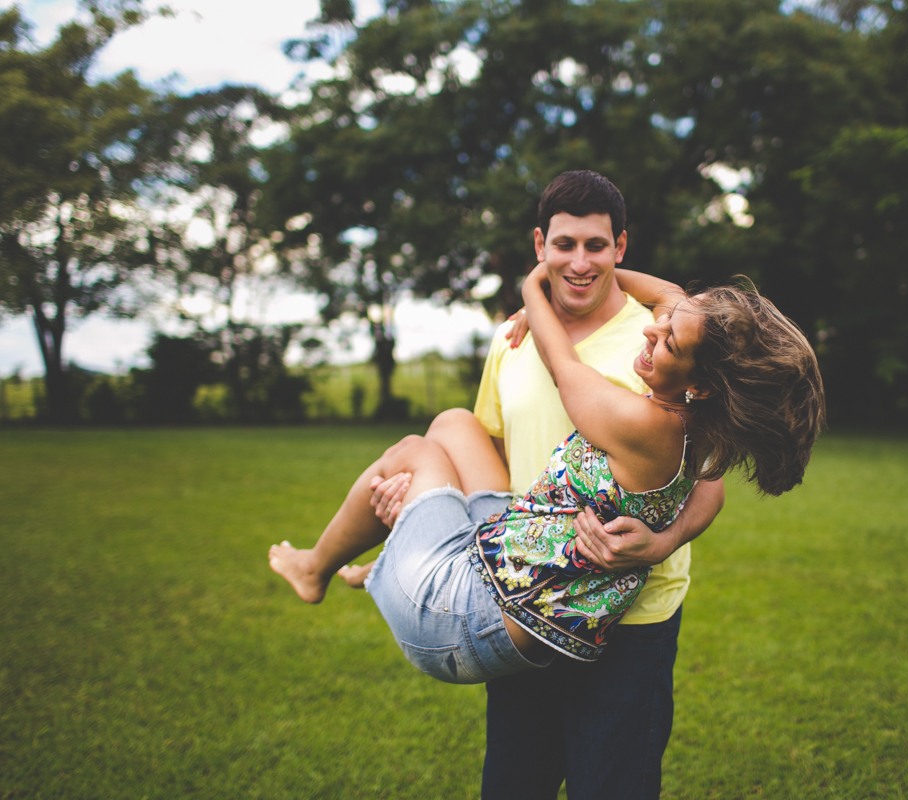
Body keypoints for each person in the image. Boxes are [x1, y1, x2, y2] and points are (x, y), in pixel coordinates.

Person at [269, 171, 826, 799]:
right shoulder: (526, 341)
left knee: (609, 787)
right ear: (542, 242)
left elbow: (708, 487)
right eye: (564, 246)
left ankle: (364, 564)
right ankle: (362, 560)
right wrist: (428, 510)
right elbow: (498, 449)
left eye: (596, 246)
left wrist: (661, 543)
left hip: (627, 620)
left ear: (620, 246)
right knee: (514, 784)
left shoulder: (657, 361)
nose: (580, 262)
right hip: (522, 576)